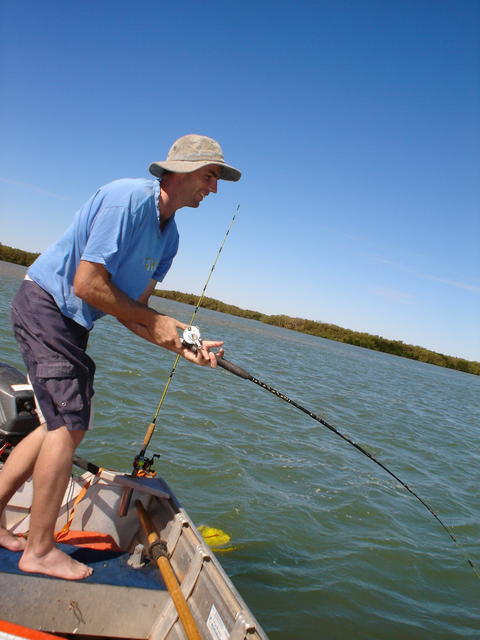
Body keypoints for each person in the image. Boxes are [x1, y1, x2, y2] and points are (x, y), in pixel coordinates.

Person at [0, 134, 241, 580]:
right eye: (210, 176)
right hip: (46, 305)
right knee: (70, 424)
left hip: (74, 323)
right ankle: (38, 549)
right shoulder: (126, 199)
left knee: (66, 422)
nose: (214, 188)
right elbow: (87, 284)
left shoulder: (170, 238)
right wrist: (161, 325)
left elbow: (135, 312)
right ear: (182, 170)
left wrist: (182, 343)